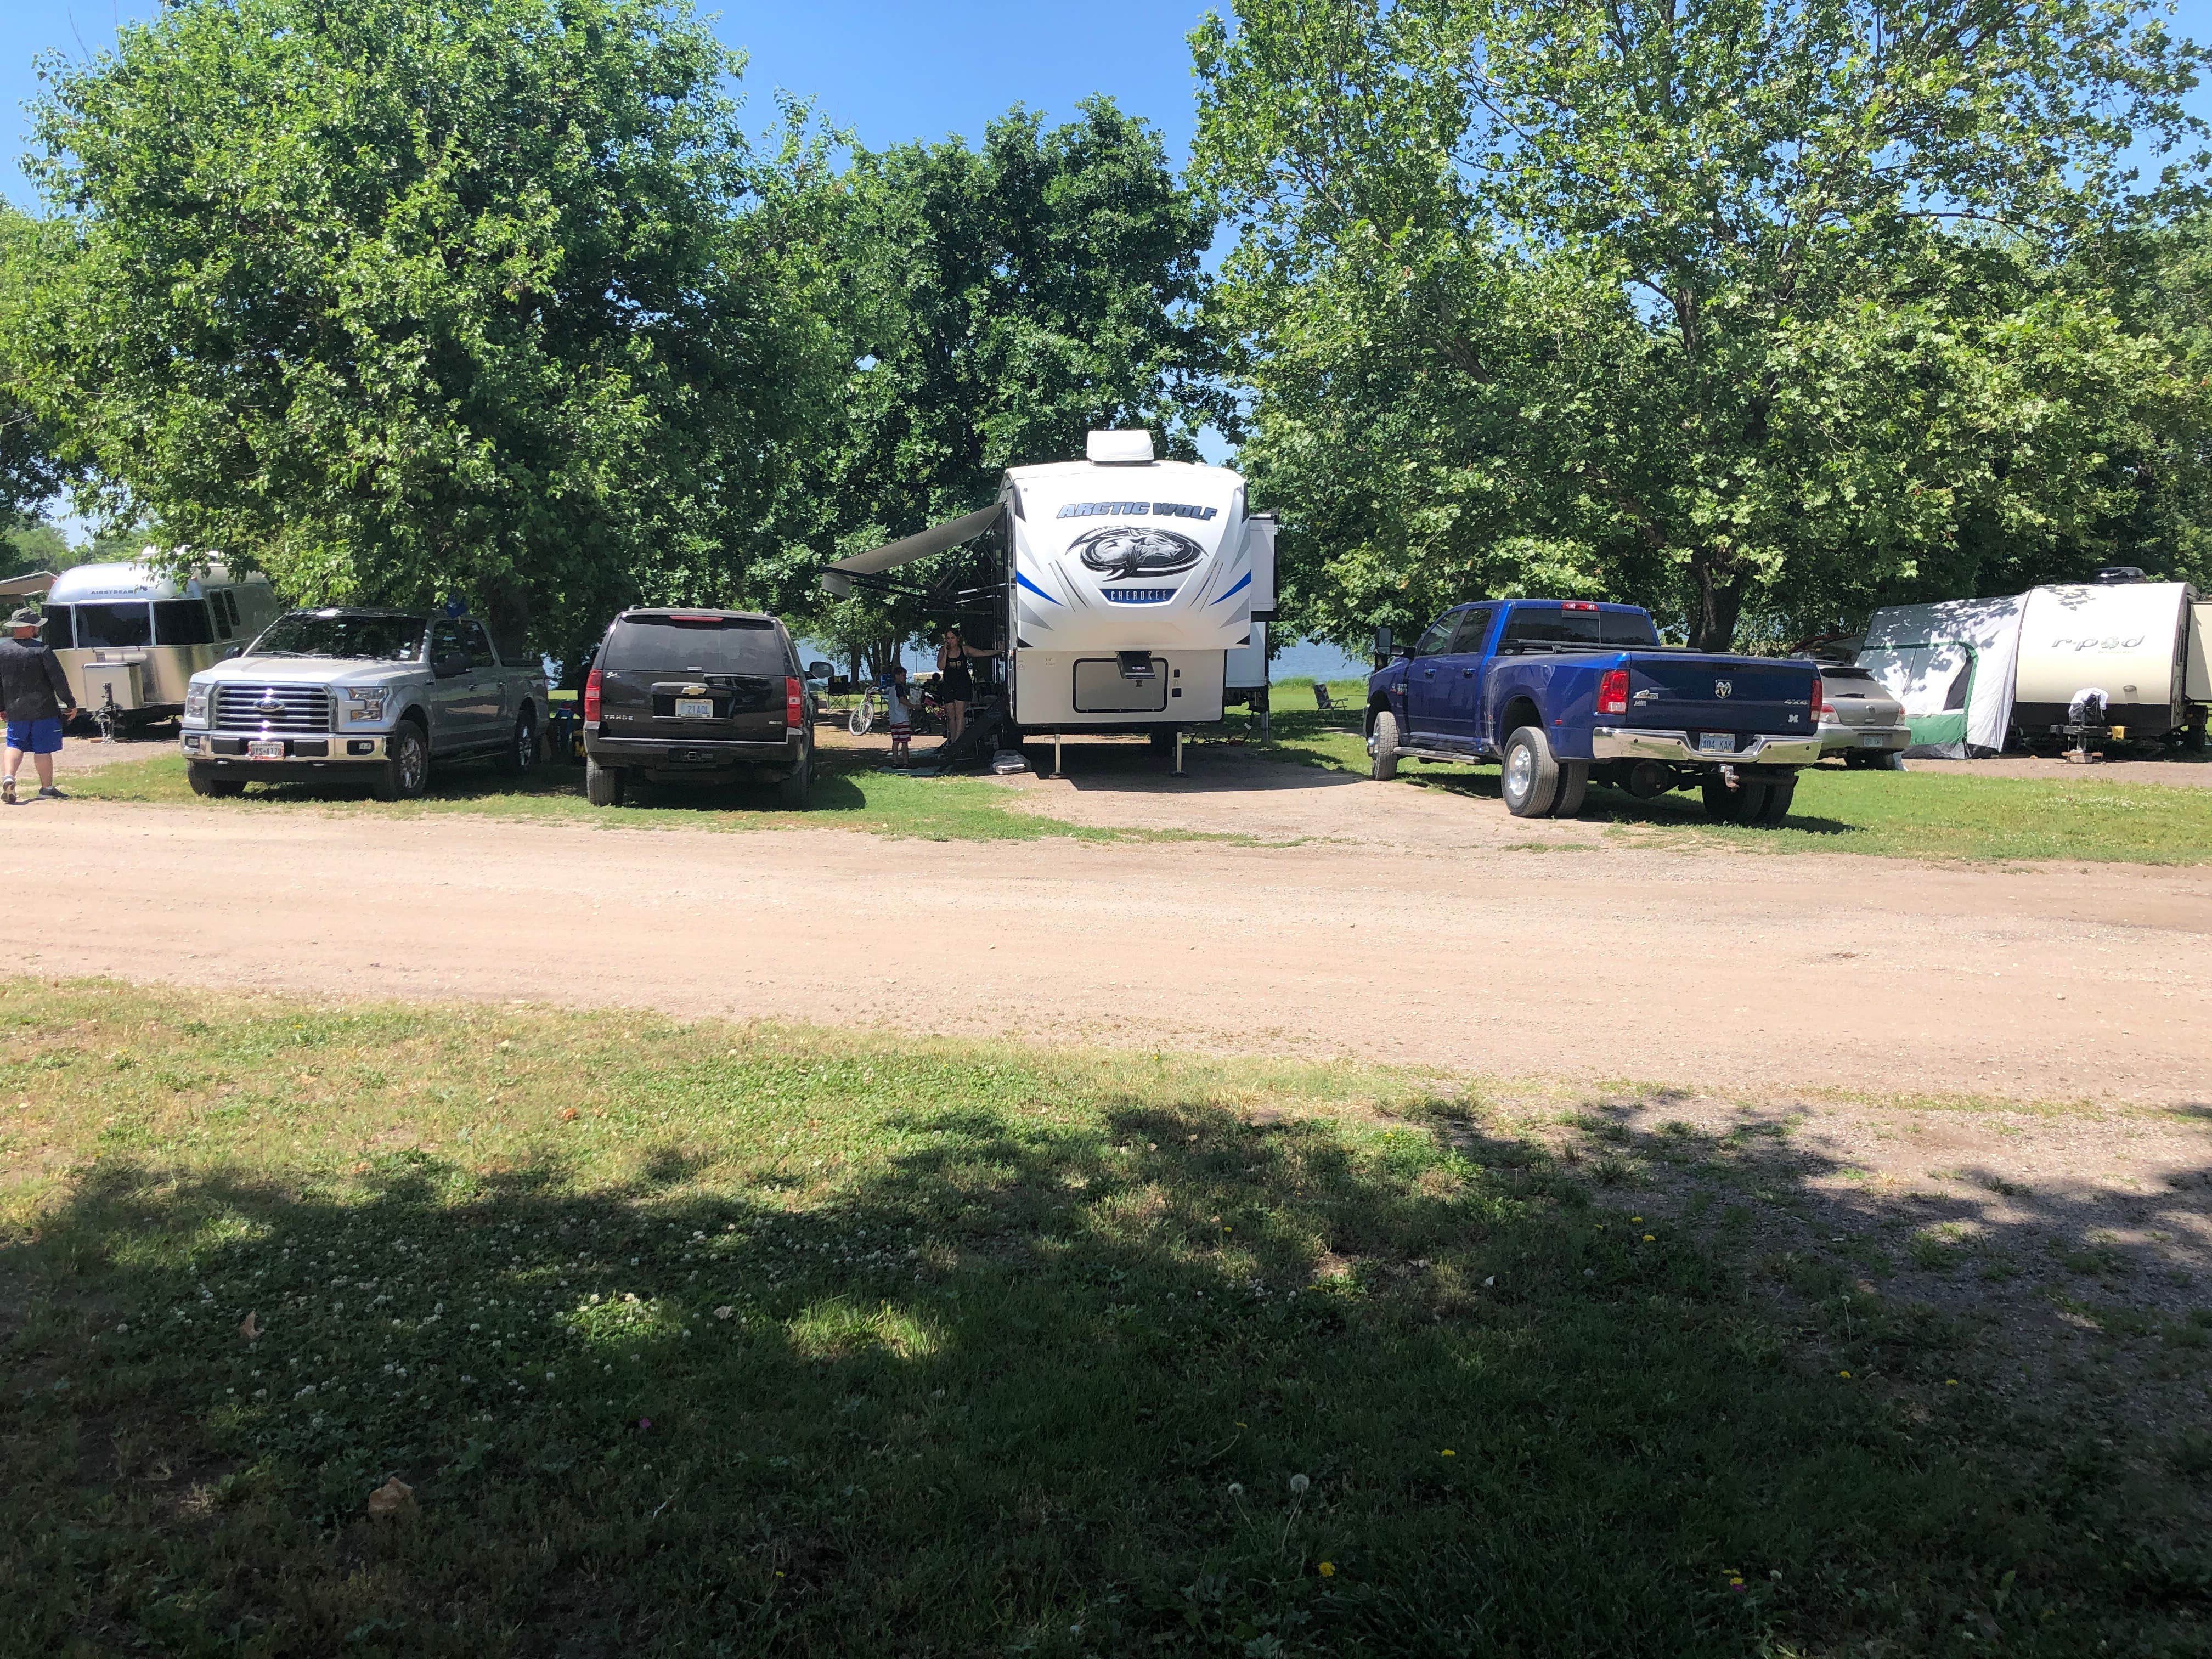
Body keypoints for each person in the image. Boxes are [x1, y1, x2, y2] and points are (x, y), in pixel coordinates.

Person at [0, 607, 78, 806]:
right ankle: (47, 789)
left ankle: (9, 777)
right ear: (28, 628)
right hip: (44, 710)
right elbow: (57, 680)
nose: (37, 629)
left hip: (15, 709)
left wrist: (2, 706)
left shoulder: (2, 651)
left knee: (14, 744)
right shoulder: (42, 650)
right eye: (35, 626)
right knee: (43, 750)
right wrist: (70, 703)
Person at [936, 627, 991, 744]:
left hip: (963, 684)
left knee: (960, 714)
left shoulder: (964, 650)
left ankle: (958, 741)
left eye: (953, 638)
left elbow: (982, 653)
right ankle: (953, 739)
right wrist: (946, 652)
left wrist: (998, 651)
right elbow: (941, 667)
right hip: (949, 685)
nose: (950, 641)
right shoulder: (942, 651)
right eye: (948, 638)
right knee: (951, 715)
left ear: (958, 639)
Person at [885, 663, 913, 766]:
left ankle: (895, 761)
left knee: (896, 741)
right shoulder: (899, 688)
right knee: (905, 741)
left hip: (893, 719)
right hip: (902, 718)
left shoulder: (891, 689)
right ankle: (906, 762)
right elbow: (902, 700)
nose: (905, 678)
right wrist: (913, 706)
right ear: (897, 676)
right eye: (903, 676)